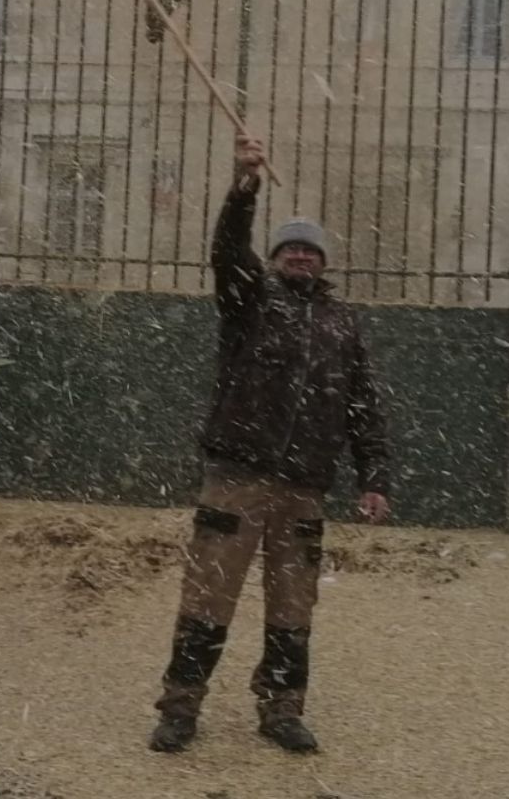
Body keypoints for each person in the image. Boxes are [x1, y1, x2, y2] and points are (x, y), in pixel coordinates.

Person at [148, 133, 392, 756]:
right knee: (208, 596)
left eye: (311, 251)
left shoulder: (343, 325)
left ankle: (283, 710)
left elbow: (362, 404)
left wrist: (375, 477)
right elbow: (229, 249)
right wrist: (244, 186)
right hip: (237, 476)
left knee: (293, 608)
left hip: (305, 487)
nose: (301, 258)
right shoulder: (248, 299)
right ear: (276, 257)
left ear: (325, 262)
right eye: (291, 249)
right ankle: (180, 708)